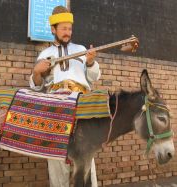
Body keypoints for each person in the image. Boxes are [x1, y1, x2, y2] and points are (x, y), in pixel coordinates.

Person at [29, 5, 101, 187]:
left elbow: (93, 78)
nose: (67, 32)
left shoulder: (82, 49)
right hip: (57, 104)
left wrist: (91, 62)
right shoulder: (45, 54)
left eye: (69, 29)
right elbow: (38, 86)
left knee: (86, 152)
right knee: (56, 154)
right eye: (63, 29)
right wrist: (36, 72)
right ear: (53, 30)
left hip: (80, 101)